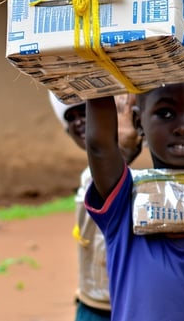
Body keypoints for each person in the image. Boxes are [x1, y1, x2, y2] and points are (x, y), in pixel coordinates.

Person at [83, 82, 184, 321]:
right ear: (139, 123)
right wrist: (98, 70)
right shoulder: (123, 200)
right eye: (166, 113)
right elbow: (99, 147)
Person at [49, 93, 142, 321]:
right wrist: (123, 153)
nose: (80, 121)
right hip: (94, 305)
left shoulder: (144, 182)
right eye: (71, 118)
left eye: (85, 112)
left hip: (130, 304)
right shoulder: (88, 180)